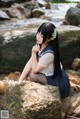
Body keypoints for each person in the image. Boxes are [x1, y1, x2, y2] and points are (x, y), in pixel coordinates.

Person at [19, 22, 70, 99]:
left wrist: (33, 53)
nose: (38, 37)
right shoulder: (41, 44)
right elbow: (30, 62)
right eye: (38, 33)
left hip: (58, 81)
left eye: (42, 36)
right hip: (50, 74)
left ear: (49, 39)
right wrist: (20, 80)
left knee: (32, 75)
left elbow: (34, 71)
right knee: (30, 69)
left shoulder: (49, 54)